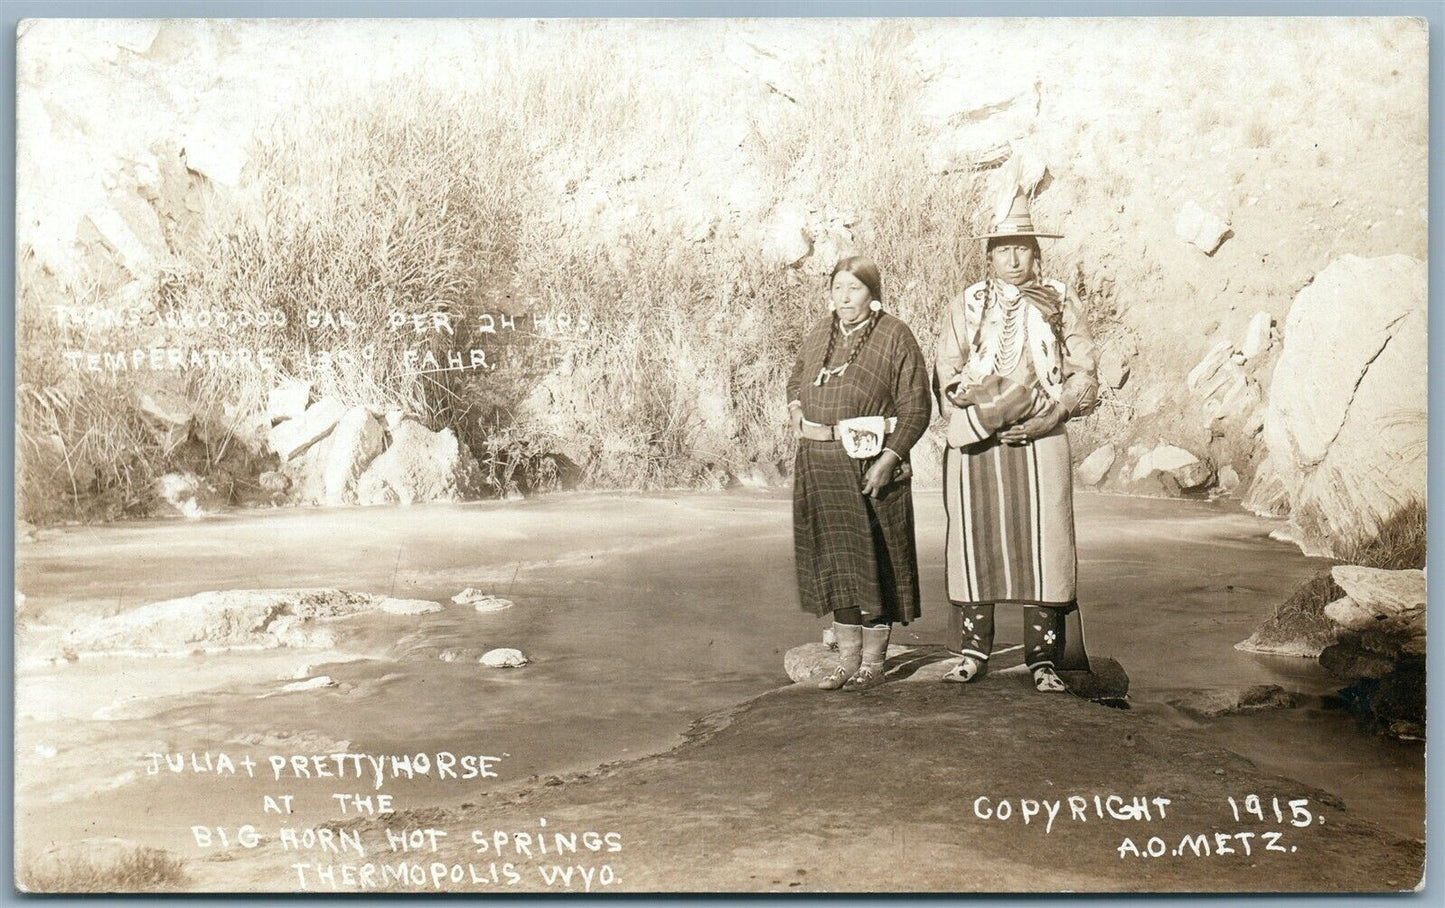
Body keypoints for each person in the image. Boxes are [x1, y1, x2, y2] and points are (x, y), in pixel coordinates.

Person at [935, 190, 1099, 693]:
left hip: (1042, 435)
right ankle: (972, 653)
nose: (1012, 258)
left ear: (1036, 252)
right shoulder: (967, 302)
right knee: (974, 539)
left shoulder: (1060, 300)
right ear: (989, 255)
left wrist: (1053, 414)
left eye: (1022, 248)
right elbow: (946, 365)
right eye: (1002, 248)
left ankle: (1043, 661)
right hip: (978, 438)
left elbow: (1086, 371)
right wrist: (973, 401)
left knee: (1046, 542)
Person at [788, 256, 931, 692]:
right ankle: (847, 659)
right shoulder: (820, 332)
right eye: (837, 288)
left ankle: (873, 662)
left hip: (870, 466)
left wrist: (890, 458)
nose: (844, 297)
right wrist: (796, 407)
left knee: (876, 559)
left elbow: (916, 406)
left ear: (873, 292)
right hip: (819, 465)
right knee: (836, 561)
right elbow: (795, 380)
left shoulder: (895, 335)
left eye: (854, 288)